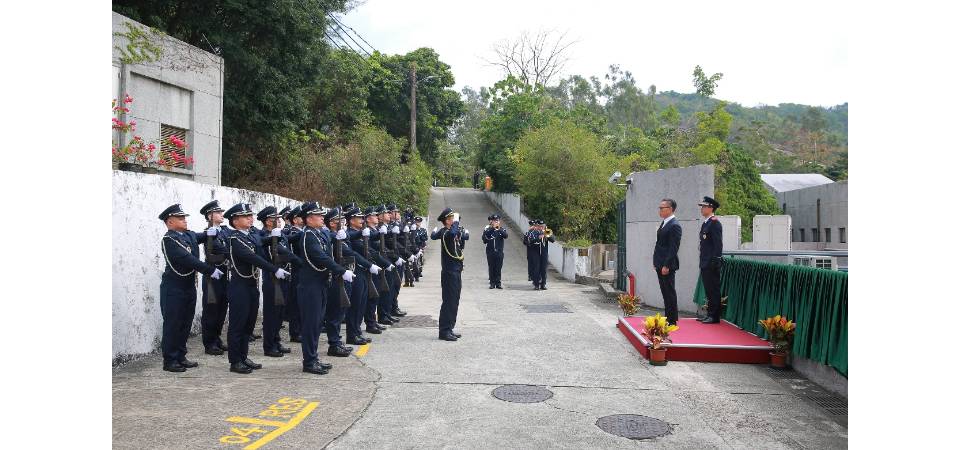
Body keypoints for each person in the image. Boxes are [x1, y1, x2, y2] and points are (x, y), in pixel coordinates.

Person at [224, 203, 289, 374]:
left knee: (248, 324)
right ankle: (235, 360)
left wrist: (274, 236)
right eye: (246, 216)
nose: (250, 218)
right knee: (238, 325)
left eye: (250, 216)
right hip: (239, 286)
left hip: (251, 285)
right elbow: (252, 257)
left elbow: (260, 242)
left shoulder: (249, 236)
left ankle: (243, 357)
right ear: (235, 221)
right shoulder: (235, 239)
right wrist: (274, 269)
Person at [157, 204, 222, 372]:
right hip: (174, 288)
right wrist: (210, 270)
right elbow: (187, 259)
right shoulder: (169, 240)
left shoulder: (188, 235)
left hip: (188, 287)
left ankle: (180, 355)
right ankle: (170, 360)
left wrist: (210, 232)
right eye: (180, 218)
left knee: (185, 323)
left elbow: (200, 236)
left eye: (184, 217)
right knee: (173, 324)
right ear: (169, 222)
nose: (184, 220)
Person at [293, 202, 351, 375]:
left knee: (317, 323)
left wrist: (340, 236)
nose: (321, 218)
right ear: (309, 219)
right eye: (318, 215)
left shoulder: (318, 234)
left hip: (320, 284)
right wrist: (341, 271)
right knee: (311, 325)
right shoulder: (308, 236)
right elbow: (320, 257)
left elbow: (328, 243)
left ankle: (313, 357)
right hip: (310, 287)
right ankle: (309, 362)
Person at [257, 206, 299, 357]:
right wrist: (272, 238)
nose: (280, 222)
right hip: (272, 279)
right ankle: (269, 346)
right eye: (277, 219)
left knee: (280, 313)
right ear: (268, 222)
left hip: (284, 277)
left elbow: (289, 243)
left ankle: (276, 341)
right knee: (271, 314)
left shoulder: (281, 234)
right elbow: (260, 243)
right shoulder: (262, 234)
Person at [198, 200, 231, 356]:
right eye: (218, 212)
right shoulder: (208, 233)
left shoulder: (223, 232)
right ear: (210, 215)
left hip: (224, 274)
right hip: (212, 275)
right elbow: (222, 250)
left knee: (222, 309)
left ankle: (217, 339)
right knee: (211, 310)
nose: (221, 215)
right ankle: (209, 343)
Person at [431, 208, 469, 341]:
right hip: (449, 273)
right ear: (447, 221)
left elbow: (458, 240)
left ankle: (450, 328)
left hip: (456, 271)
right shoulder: (446, 233)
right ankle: (444, 331)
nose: (454, 220)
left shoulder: (450, 232)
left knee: (454, 301)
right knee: (448, 301)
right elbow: (452, 233)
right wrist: (456, 223)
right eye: (452, 218)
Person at [653, 198, 682, 325]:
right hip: (660, 263)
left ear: (670, 209)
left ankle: (672, 319)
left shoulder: (674, 225)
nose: (659, 210)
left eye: (662, 208)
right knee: (664, 292)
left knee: (669, 292)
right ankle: (667, 317)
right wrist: (656, 262)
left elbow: (673, 248)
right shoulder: (665, 223)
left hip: (667, 265)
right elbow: (660, 245)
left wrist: (666, 265)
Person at [697, 196, 724, 324]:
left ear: (711, 208)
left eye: (704, 206)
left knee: (713, 289)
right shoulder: (706, 223)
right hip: (704, 261)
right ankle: (709, 313)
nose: (702, 209)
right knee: (708, 289)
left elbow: (718, 244)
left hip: (711, 262)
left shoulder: (715, 223)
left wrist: (715, 260)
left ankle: (714, 316)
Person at [283, 205, 304, 342]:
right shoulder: (292, 233)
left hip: (301, 272)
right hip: (296, 271)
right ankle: (295, 332)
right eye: (301, 217)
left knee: (301, 303)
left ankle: (300, 329)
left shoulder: (300, 232)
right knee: (295, 303)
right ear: (295, 220)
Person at [524, 219, 555, 290]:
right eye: (540, 226)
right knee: (536, 269)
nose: (541, 228)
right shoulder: (532, 232)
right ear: (537, 226)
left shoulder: (547, 231)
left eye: (542, 226)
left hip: (544, 253)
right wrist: (538, 238)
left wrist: (546, 234)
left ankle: (543, 284)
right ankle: (536, 284)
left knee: (544, 269)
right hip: (535, 253)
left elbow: (553, 240)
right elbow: (529, 242)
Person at [481, 214, 508, 289]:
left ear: (499, 221)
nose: (496, 222)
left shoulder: (502, 229)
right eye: (494, 221)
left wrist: (498, 229)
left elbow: (506, 236)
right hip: (490, 252)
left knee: (498, 267)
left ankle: (498, 283)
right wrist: (493, 228)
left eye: (497, 221)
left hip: (499, 252)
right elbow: (484, 239)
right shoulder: (488, 230)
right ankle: (492, 283)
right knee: (491, 267)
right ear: (491, 222)